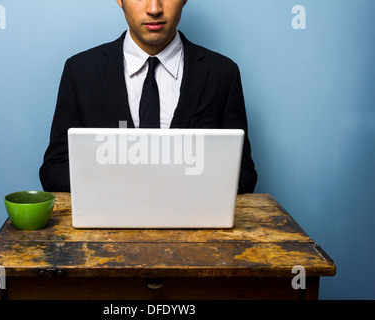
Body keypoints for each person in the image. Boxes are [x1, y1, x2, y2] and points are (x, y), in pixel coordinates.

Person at [39, 0, 257, 193]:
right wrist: (112, 187)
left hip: (194, 227)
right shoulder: (80, 71)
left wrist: (189, 187)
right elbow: (54, 169)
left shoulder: (222, 73)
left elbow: (244, 172)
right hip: (107, 228)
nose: (154, 9)